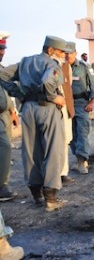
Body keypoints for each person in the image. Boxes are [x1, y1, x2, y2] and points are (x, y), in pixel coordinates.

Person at [0, 35, 68, 211]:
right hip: (47, 108)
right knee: (54, 150)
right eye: (60, 51)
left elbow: (2, 75)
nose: (63, 55)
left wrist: (19, 94)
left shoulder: (26, 61)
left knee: (31, 150)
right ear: (51, 50)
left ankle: (36, 195)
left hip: (28, 108)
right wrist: (55, 97)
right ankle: (51, 198)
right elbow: (47, 82)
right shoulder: (52, 64)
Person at [67, 42, 94, 175]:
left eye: (70, 53)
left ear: (75, 53)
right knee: (70, 134)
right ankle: (78, 157)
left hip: (82, 103)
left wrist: (93, 101)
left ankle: (82, 160)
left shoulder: (84, 67)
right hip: (66, 104)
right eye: (65, 53)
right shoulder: (60, 67)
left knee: (82, 132)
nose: (67, 55)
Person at [0, 32, 18, 201]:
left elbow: (5, 91)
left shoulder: (2, 69)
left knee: (6, 149)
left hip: (4, 115)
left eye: (3, 49)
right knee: (4, 148)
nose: (2, 52)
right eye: (0, 49)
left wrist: (13, 110)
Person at [59, 42, 76, 184]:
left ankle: (63, 172)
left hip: (64, 107)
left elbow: (67, 86)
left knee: (65, 140)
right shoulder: (46, 65)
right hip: (50, 109)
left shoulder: (66, 67)